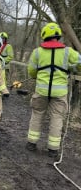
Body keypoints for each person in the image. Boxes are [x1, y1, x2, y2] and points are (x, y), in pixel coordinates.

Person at [26, 22, 81, 158]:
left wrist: (38, 76)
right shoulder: (68, 52)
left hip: (41, 91)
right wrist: (72, 69)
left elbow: (31, 71)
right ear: (58, 36)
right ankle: (53, 149)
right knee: (57, 118)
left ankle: (31, 143)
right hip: (60, 93)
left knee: (37, 114)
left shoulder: (37, 52)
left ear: (44, 35)